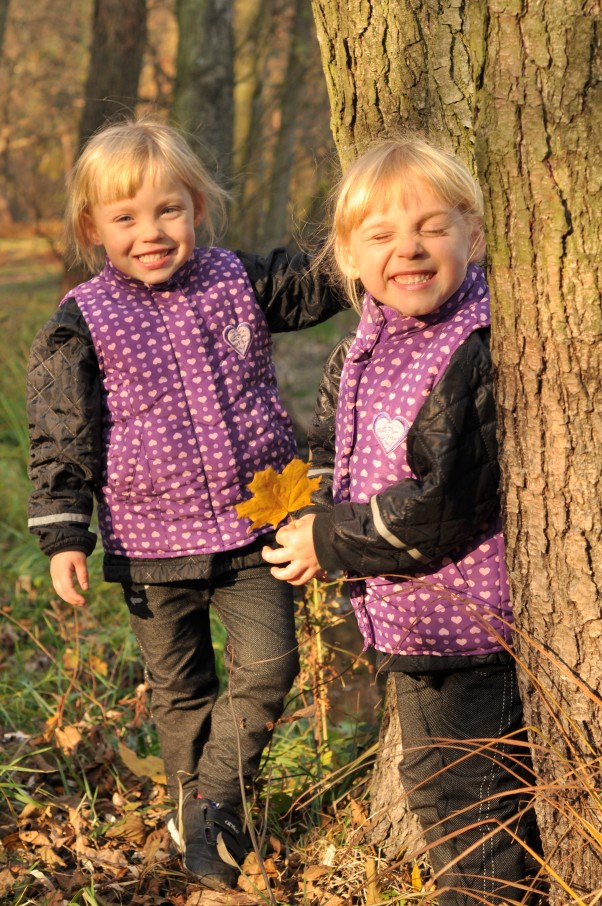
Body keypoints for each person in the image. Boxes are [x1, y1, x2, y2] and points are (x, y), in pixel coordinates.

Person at [27, 115, 347, 891]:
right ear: (92, 227)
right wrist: (66, 531)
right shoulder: (83, 321)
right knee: (181, 689)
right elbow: (62, 432)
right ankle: (196, 808)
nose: (151, 232)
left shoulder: (236, 279)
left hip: (254, 526)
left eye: (169, 210)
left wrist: (379, 233)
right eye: (126, 217)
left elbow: (318, 283)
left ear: (197, 209)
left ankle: (211, 799)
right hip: (149, 542)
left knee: (269, 665)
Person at [263, 136, 542, 905]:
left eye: (431, 228)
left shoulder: (467, 348)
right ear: (347, 256)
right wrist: (311, 507)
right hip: (412, 626)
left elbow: (447, 503)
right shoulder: (363, 345)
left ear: (473, 236)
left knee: (468, 808)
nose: (408, 250)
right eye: (381, 235)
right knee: (436, 789)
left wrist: (330, 538)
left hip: (470, 630)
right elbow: (333, 448)